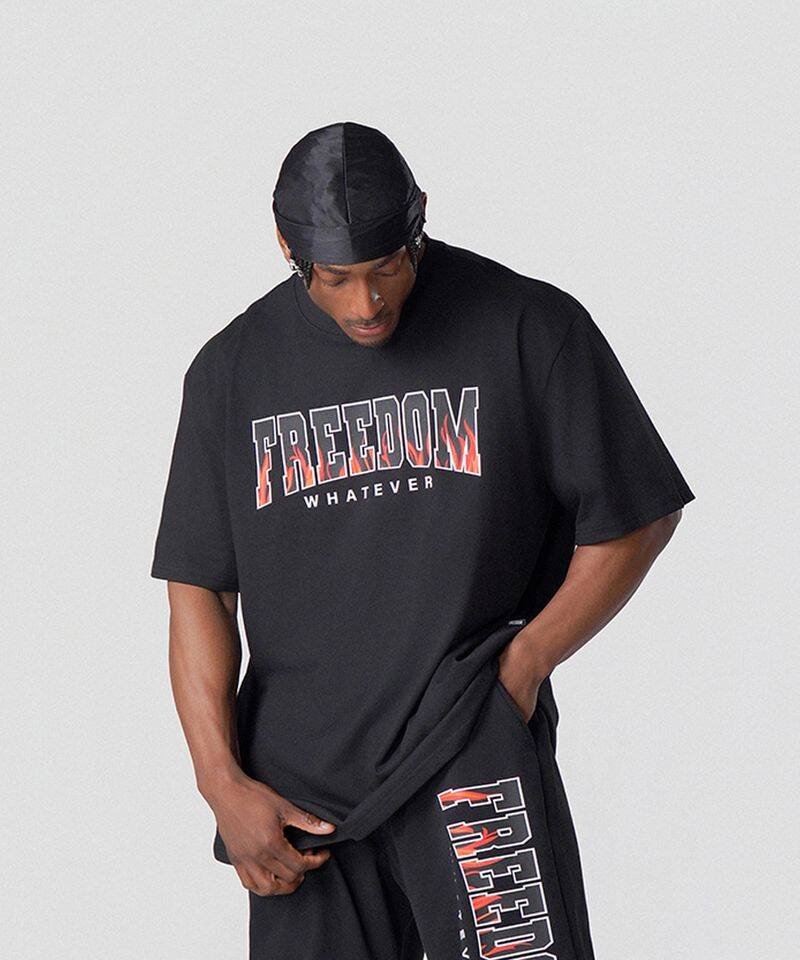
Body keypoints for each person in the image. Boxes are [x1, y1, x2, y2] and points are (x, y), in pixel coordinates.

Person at [151, 121, 694, 960]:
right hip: (300, 795)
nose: (366, 303)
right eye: (336, 278)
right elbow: (199, 589)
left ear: (420, 222)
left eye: (387, 268)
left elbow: (637, 515)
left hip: (470, 755)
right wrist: (220, 781)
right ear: (288, 250)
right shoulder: (230, 372)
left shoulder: (527, 326)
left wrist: (524, 666)